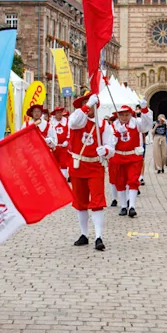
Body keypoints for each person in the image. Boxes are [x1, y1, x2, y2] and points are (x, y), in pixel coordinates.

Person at [67, 92, 108, 251]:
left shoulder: (103, 124)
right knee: (80, 201)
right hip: (78, 165)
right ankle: (84, 234)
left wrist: (105, 149)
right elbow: (74, 122)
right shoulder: (77, 118)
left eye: (92, 104)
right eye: (86, 103)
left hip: (95, 166)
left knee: (97, 201)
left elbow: (110, 144)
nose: (90, 107)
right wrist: (87, 105)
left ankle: (98, 236)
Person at [107, 104, 147, 217]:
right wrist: (117, 133)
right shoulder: (113, 127)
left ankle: (132, 206)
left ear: (130, 115)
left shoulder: (136, 124)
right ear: (118, 116)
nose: (124, 117)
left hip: (132, 156)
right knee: (120, 181)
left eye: (126, 114)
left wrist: (145, 111)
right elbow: (110, 143)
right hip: (118, 157)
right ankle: (123, 205)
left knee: (133, 180)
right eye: (122, 115)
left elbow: (146, 125)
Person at [47, 106, 71, 180]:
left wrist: (67, 140)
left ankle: (63, 178)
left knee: (63, 162)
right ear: (55, 114)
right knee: (54, 162)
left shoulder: (66, 121)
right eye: (57, 113)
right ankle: (55, 177)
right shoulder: (51, 122)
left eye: (60, 112)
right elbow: (48, 133)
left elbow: (69, 132)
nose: (59, 114)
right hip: (54, 146)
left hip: (63, 146)